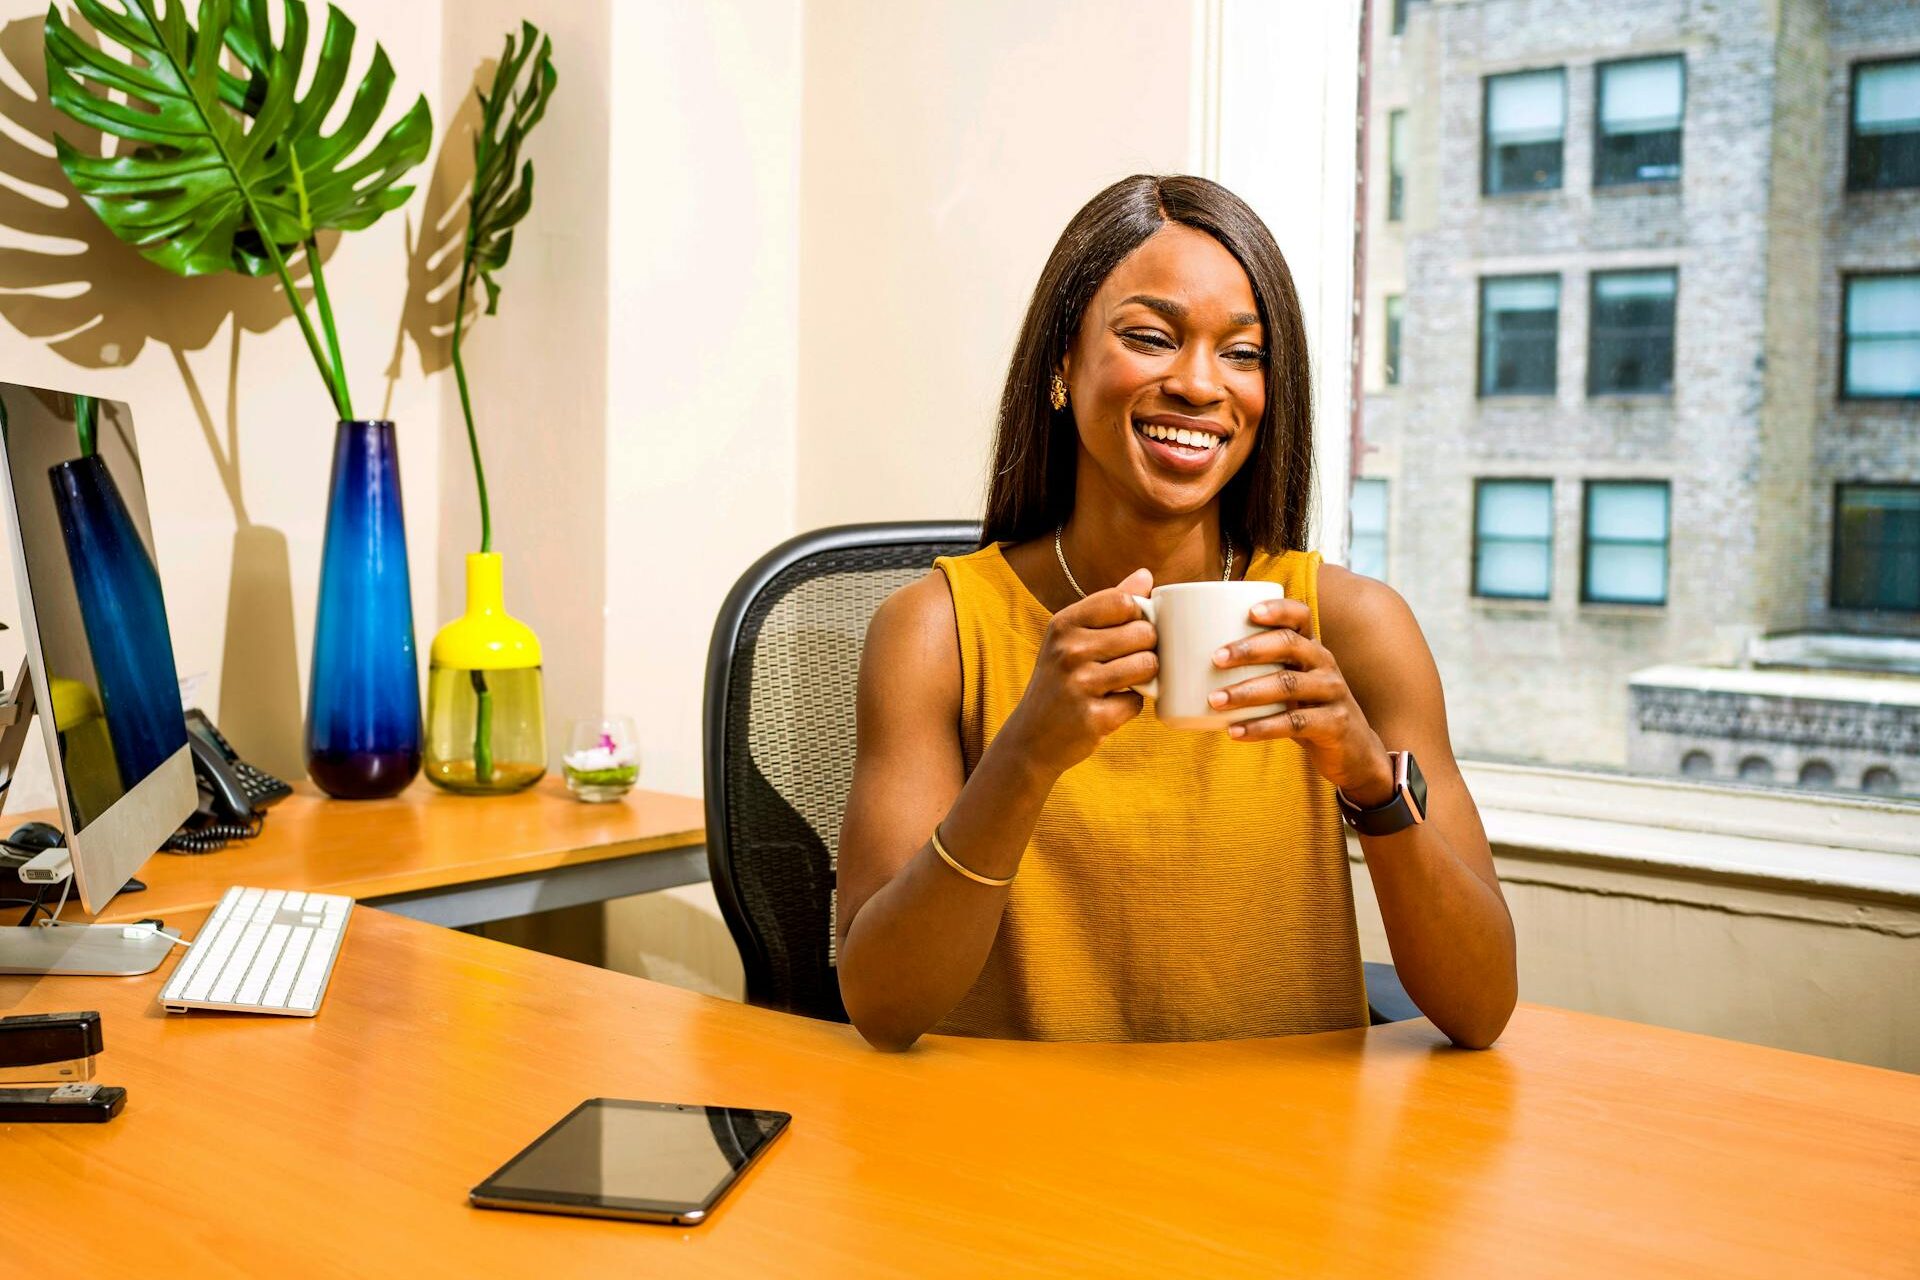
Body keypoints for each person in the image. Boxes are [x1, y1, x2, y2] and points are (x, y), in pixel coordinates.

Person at [835, 175, 1516, 1051]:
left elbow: (1482, 1008)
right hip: (1020, 1130)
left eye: (1243, 353)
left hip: (1283, 1129)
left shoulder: (1354, 627)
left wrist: (1371, 784)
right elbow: (883, 1005)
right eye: (1151, 338)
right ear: (1060, 364)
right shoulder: (935, 632)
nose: (1199, 384)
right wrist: (1024, 756)